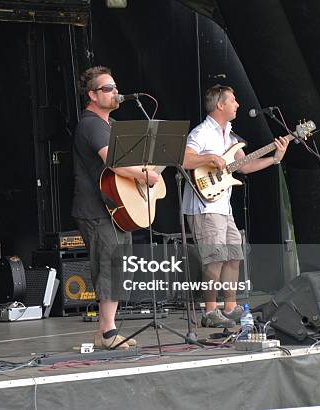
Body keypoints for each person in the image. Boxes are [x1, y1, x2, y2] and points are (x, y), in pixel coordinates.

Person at [182, 84, 289, 327]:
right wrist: (209, 157)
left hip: (223, 206)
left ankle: (229, 308)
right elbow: (185, 159)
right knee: (214, 258)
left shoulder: (230, 137)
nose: (237, 105)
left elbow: (245, 167)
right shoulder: (202, 133)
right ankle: (210, 312)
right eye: (233, 100)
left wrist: (275, 158)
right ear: (220, 104)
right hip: (205, 206)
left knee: (233, 256)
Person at [72, 66, 162, 349]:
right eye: (107, 88)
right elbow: (113, 162)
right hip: (95, 209)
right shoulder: (91, 123)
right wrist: (143, 176)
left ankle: (105, 332)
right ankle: (108, 332)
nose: (115, 93)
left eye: (115, 87)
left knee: (120, 265)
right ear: (92, 95)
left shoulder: (109, 125)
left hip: (113, 208)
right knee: (110, 265)